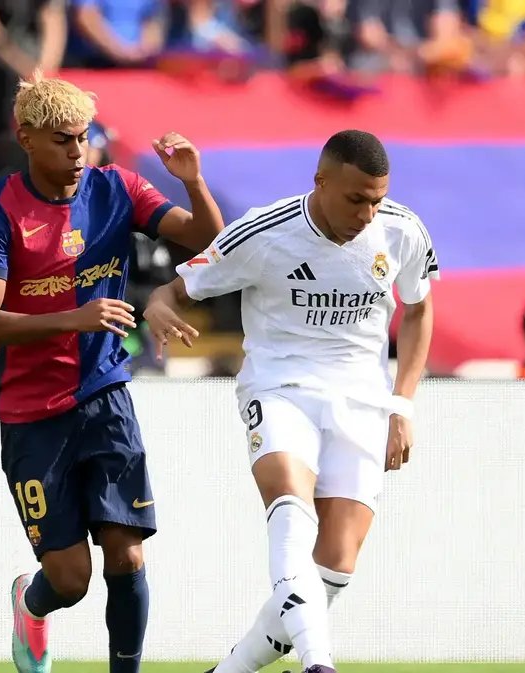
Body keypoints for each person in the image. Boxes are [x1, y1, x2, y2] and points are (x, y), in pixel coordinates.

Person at [142, 129, 439, 673]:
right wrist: (158, 306)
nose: (367, 214)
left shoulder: (402, 229)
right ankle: (318, 663)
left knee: (336, 565)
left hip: (363, 400)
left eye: (376, 200)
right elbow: (174, 290)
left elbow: (419, 308)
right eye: (356, 199)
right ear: (320, 181)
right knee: (289, 506)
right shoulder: (263, 232)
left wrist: (403, 405)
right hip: (281, 389)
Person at [0, 73, 224, 673]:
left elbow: (207, 240)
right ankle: (30, 603)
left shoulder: (118, 188)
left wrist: (192, 181)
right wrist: (75, 317)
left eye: (83, 137)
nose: (78, 151)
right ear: (26, 138)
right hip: (30, 410)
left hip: (104, 391)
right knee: (70, 579)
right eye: (63, 140)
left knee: (127, 556)